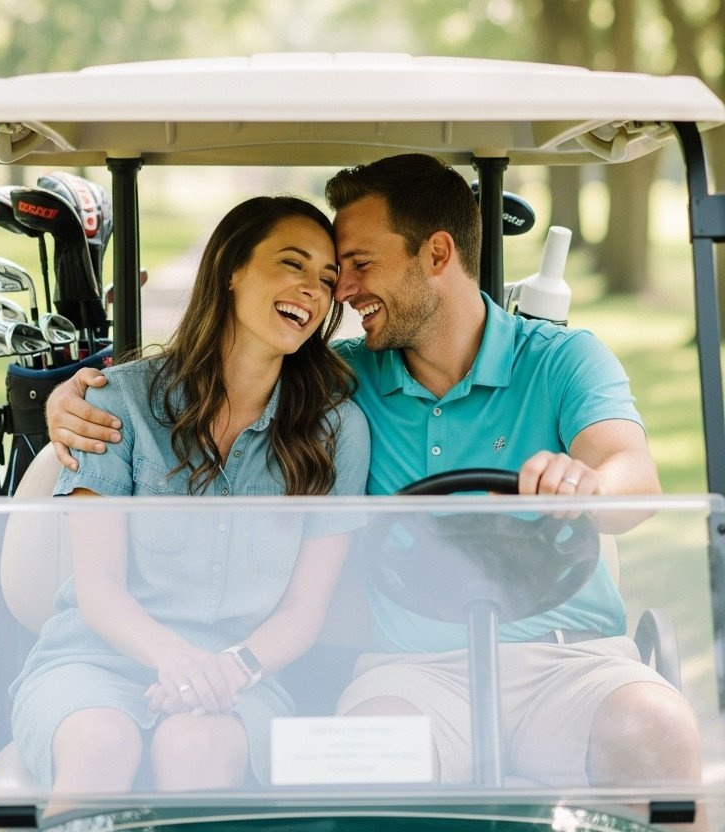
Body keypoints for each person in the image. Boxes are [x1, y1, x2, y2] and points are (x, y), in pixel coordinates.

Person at [46, 154, 700, 792]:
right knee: (367, 759)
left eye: (358, 265)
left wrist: (590, 487)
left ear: (437, 255)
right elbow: (235, 373)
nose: (344, 291)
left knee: (658, 726)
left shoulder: (562, 360)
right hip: (417, 673)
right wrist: (66, 401)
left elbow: (630, 477)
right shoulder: (341, 385)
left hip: (570, 659)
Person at [9, 196, 370, 807]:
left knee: (194, 749)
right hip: (95, 662)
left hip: (239, 678)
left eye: (328, 279)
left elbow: (304, 612)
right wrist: (175, 659)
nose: (313, 290)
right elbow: (98, 588)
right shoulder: (115, 403)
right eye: (292, 264)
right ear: (231, 268)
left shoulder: (335, 429)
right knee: (101, 746)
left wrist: (228, 669)